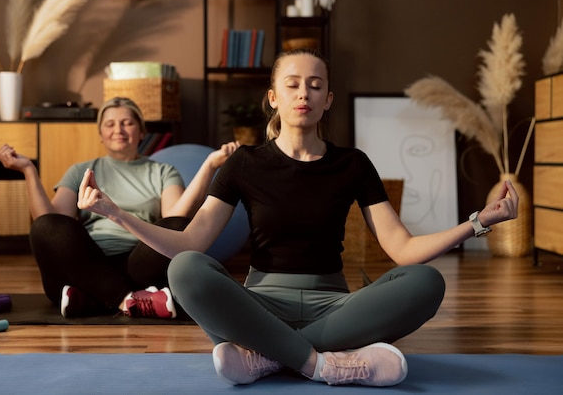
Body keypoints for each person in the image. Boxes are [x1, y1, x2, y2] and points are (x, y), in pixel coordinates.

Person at [76, 50, 519, 387]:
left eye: (314, 85)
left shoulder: (353, 164)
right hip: (258, 303)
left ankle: (266, 355)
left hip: (335, 304)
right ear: (274, 98)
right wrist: (114, 212)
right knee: (185, 268)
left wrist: (480, 220)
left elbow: (402, 249)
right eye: (292, 84)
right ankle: (322, 364)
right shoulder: (244, 164)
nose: (303, 92)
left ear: (327, 99)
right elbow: (190, 244)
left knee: (427, 282)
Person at [0, 97, 239, 318]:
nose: (118, 130)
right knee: (45, 227)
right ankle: (129, 300)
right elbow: (52, 224)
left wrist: (210, 165)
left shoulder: (162, 171)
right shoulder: (80, 170)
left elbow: (175, 217)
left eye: (127, 123)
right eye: (110, 124)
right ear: (100, 134)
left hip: (138, 266)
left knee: (177, 227)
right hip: (84, 263)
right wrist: (29, 170)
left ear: (142, 131)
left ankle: (94, 298)